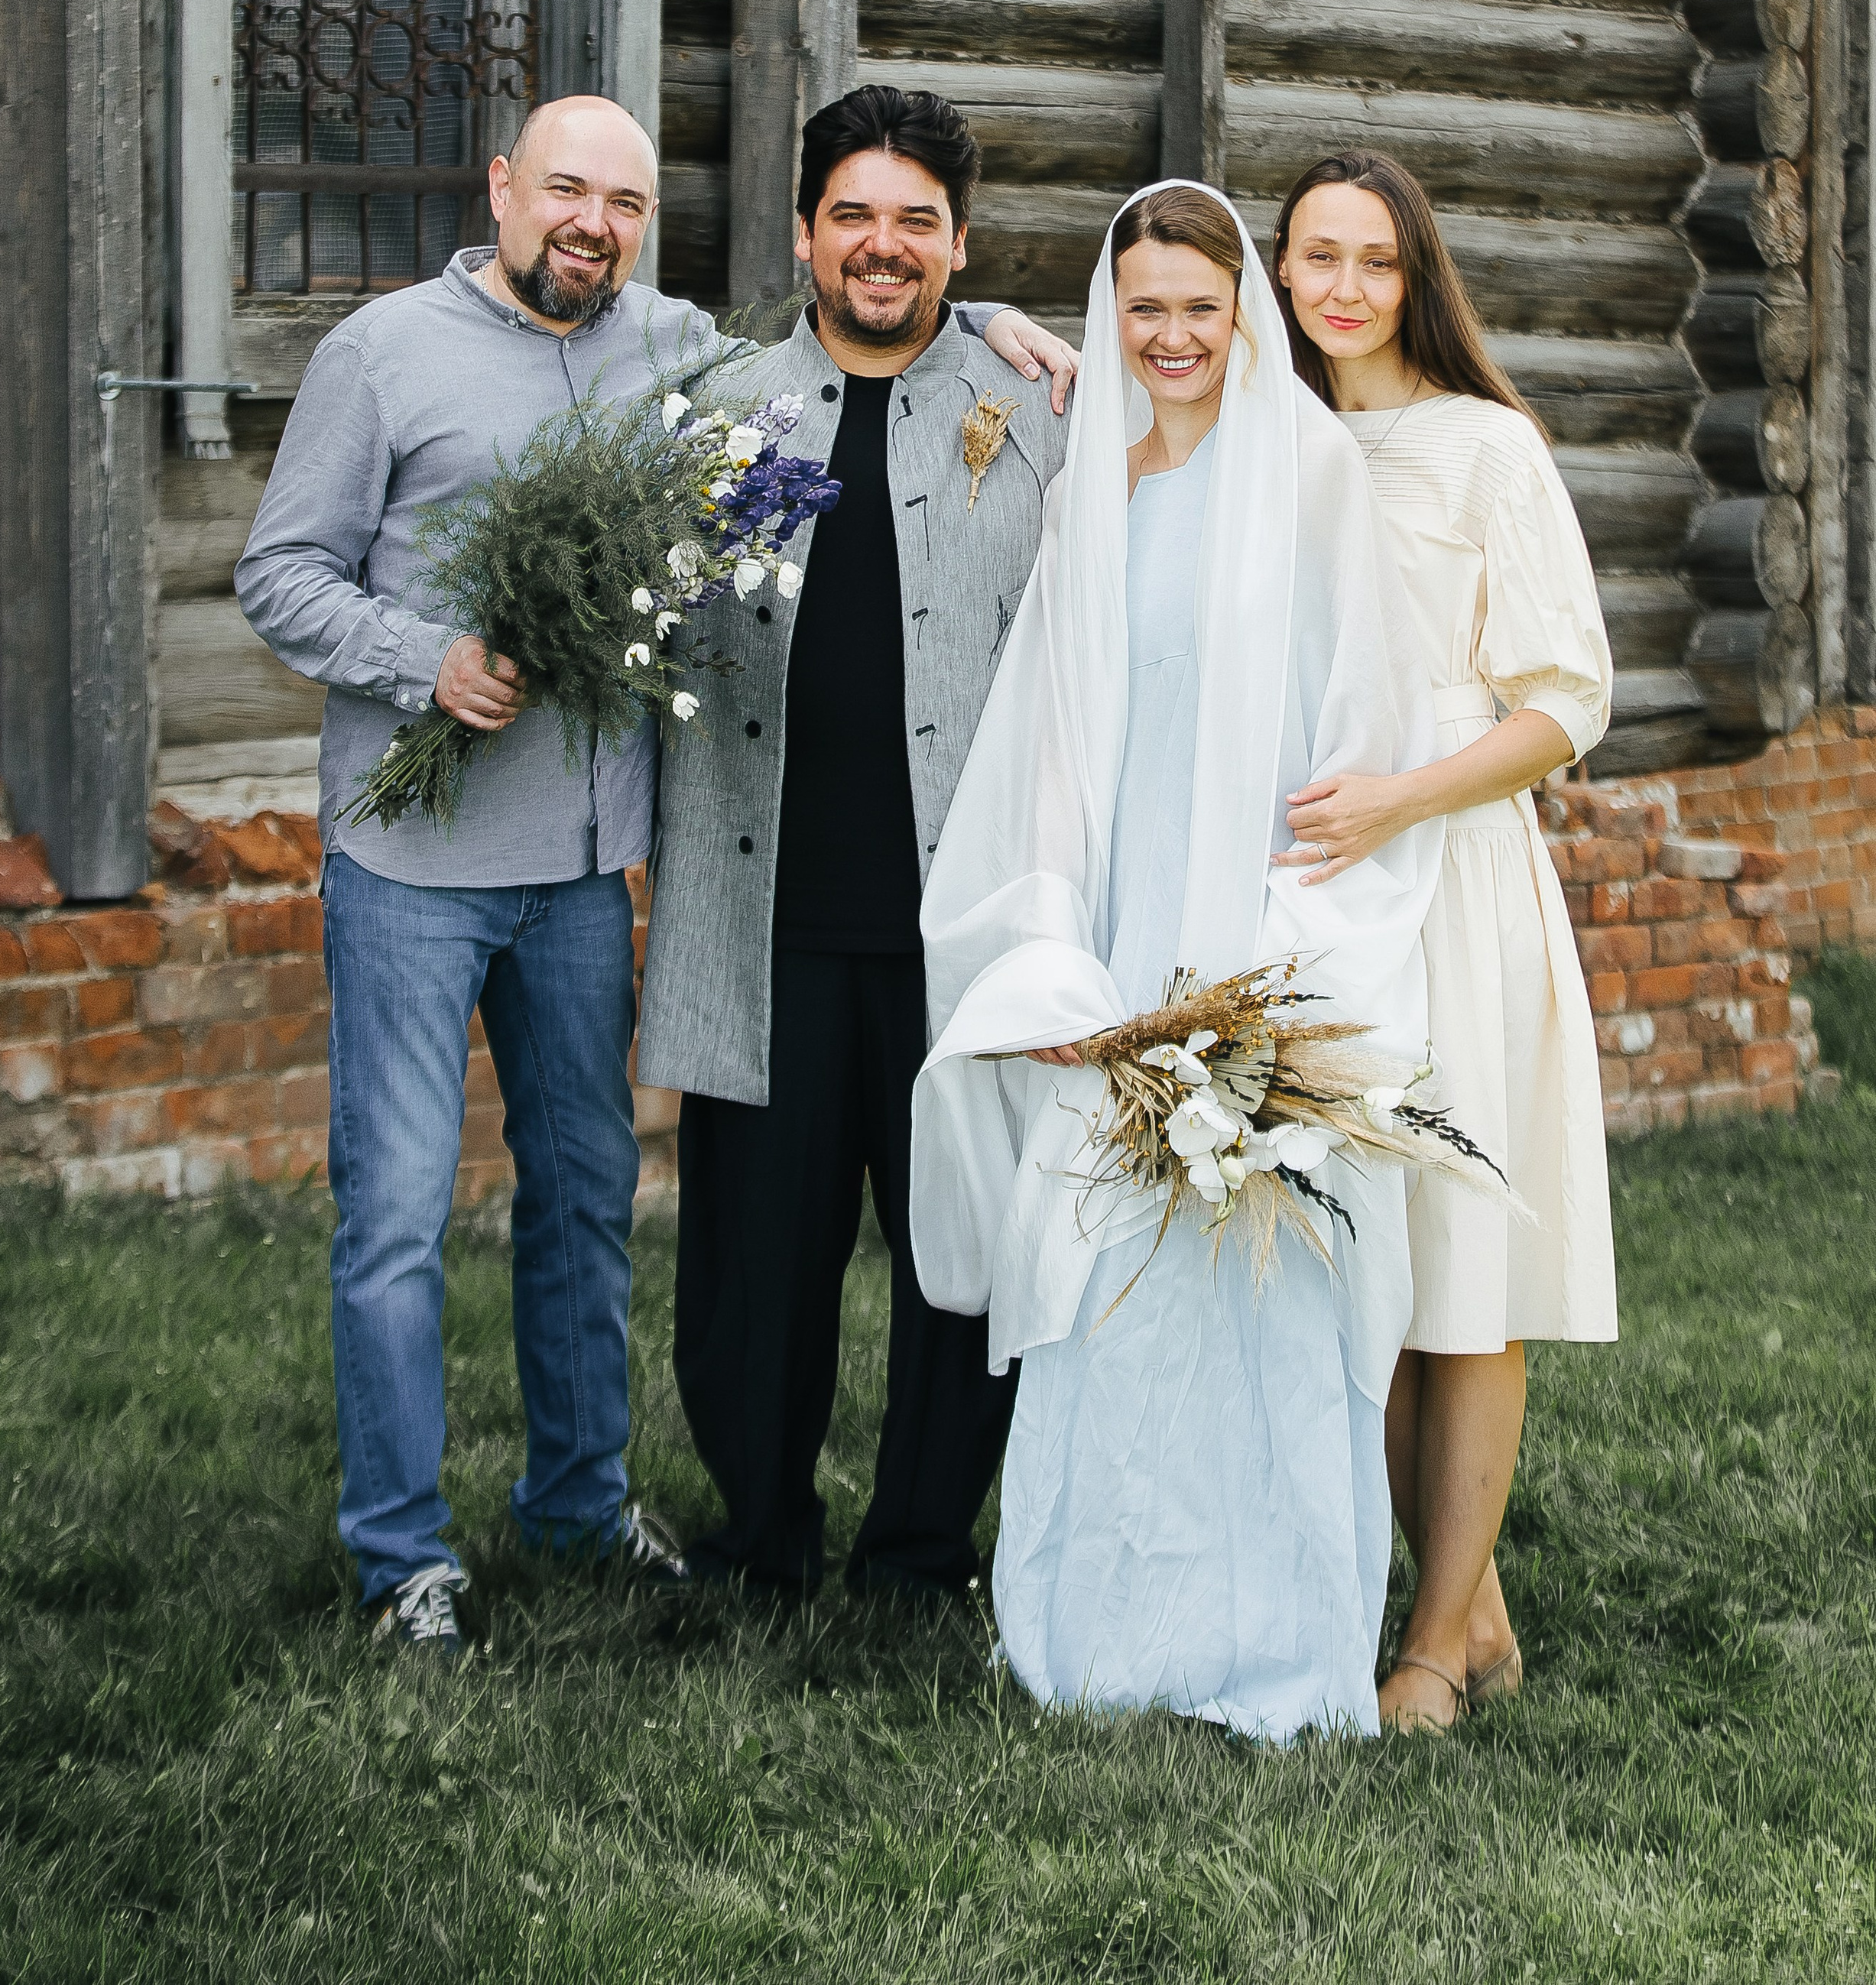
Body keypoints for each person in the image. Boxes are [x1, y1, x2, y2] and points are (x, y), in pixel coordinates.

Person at [235, 90, 1073, 1660]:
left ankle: (626, 1509)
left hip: (631, 878)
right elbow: (284, 572)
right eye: (567, 190)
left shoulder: (696, 359)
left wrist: (998, 327)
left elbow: (891, 331)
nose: (592, 224)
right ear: (503, 186)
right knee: (435, 1220)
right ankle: (442, 1552)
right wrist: (430, 661)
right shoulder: (526, 374)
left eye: (623, 203)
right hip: (480, 870)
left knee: (613, 1206)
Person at [910, 182, 1443, 1737]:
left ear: (1244, 311)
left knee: (1266, 1280)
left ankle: (1278, 1642)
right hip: (1123, 947)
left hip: (1263, 940)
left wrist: (1287, 964)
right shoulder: (1095, 486)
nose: (1171, 335)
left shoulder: (1312, 472)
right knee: (1116, 1278)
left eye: (1199, 307)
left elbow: (1365, 725)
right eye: (1143, 307)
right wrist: (1052, 953)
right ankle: (1102, 1637)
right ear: (1111, 310)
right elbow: (1054, 735)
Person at [636, 86, 1073, 1604]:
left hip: (964, 923)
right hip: (760, 915)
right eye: (853, 217)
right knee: (752, 1266)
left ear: (959, 242)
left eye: (915, 222)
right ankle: (759, 1538)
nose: (882, 247)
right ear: (804, 232)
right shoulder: (712, 411)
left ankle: (919, 1551)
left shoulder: (1038, 415)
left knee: (963, 1254)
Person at [1271, 150, 1618, 1732]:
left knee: (1463, 1269)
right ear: (1279, 275)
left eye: (1375, 260)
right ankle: (1467, 1609)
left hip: (1454, 878)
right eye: (1316, 257)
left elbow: (1565, 702)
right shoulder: (1268, 441)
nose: (1343, 288)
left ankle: (1428, 1650)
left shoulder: (1486, 447)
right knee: (1367, 1268)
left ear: (1415, 277)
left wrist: (1401, 799)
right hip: (1315, 895)